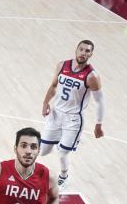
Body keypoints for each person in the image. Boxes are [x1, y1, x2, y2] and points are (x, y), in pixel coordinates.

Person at [40, 40, 105, 188]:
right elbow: (53, 85)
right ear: (76, 50)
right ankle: (54, 141)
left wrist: (98, 124)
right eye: (81, 49)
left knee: (62, 152)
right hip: (56, 114)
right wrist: (45, 102)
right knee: (43, 151)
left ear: (91, 54)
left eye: (87, 51)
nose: (83, 53)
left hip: (73, 120)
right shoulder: (62, 65)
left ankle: (63, 175)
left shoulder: (92, 76)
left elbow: (100, 101)